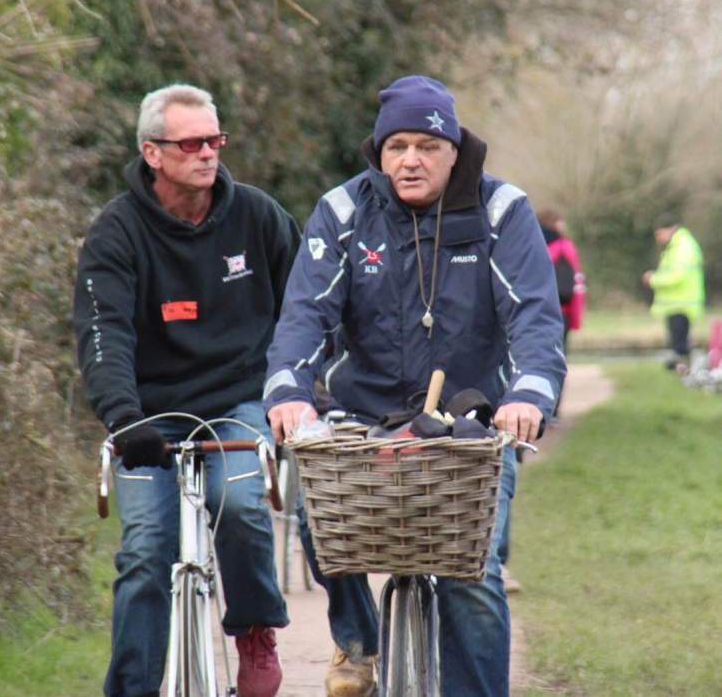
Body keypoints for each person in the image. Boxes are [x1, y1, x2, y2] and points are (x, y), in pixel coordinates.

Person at [263, 75, 567, 697]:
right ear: (379, 152)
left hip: (470, 423)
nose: (410, 159)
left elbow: (535, 316)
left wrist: (527, 397)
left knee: (473, 575)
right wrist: (289, 393)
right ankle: (357, 642)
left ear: (454, 149)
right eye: (396, 145)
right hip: (362, 415)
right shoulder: (345, 211)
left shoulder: (501, 211)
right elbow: (304, 316)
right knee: (321, 518)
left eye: (427, 145)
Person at [73, 84, 301, 697]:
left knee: (244, 506)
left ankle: (254, 629)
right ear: (153, 152)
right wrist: (123, 417)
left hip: (239, 401)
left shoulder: (259, 217)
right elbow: (103, 337)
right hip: (149, 416)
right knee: (147, 551)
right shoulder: (115, 235)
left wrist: (299, 391)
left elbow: (304, 313)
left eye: (215, 141)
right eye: (192, 143)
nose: (208, 154)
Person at [538, 207, 586, 417]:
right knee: (556, 360)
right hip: (560, 312)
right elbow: (574, 286)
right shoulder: (564, 247)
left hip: (533, 310)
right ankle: (553, 410)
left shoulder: (528, 242)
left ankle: (536, 407)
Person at [642, 212, 705, 370]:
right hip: (676, 304)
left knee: (680, 344)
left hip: (682, 303)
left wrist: (653, 280)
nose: (658, 238)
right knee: (678, 342)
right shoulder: (675, 246)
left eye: (659, 234)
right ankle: (685, 371)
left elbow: (677, 276)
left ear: (671, 230)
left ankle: (687, 372)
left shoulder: (683, 247)